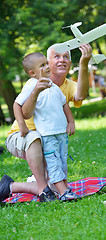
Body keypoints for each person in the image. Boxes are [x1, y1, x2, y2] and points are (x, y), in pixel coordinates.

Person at [0, 44, 92, 202]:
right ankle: (43, 190)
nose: (61, 60)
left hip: (51, 137)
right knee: (35, 137)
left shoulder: (58, 87)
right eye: (56, 57)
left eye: (66, 57)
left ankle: (10, 186)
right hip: (25, 137)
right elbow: (24, 111)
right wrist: (35, 92)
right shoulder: (32, 84)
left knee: (58, 182)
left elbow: (76, 97)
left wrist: (84, 63)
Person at [14, 52, 79, 201]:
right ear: (33, 73)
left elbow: (64, 104)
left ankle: (64, 188)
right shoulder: (32, 85)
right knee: (53, 162)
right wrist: (22, 125)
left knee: (62, 161)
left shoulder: (53, 85)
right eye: (42, 65)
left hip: (61, 133)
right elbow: (17, 104)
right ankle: (63, 193)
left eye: (46, 63)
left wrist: (71, 122)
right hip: (48, 134)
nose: (47, 66)